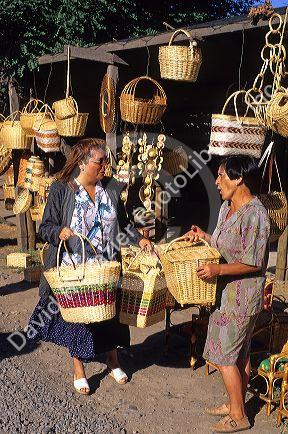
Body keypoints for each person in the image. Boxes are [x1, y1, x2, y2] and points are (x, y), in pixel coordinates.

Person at [28, 138, 152, 395]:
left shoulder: (111, 189)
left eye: (106, 160)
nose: (106, 165)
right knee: (79, 320)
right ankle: (79, 369)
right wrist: (59, 231)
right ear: (83, 163)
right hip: (75, 269)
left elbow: (123, 225)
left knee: (111, 316)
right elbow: (46, 227)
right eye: (101, 161)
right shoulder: (63, 189)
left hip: (106, 267)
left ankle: (112, 360)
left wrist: (139, 239)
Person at [185, 155, 270, 433]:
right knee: (240, 355)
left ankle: (238, 416)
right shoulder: (226, 208)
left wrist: (217, 270)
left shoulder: (255, 214)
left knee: (223, 356)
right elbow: (224, 245)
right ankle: (237, 404)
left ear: (239, 179)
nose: (217, 181)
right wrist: (204, 236)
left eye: (222, 175)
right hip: (226, 294)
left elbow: (253, 261)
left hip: (242, 297)